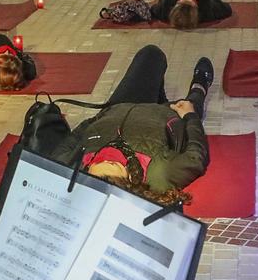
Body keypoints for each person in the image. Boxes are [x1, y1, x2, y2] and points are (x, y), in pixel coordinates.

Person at [26, 47, 216, 204]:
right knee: (193, 102)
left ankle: (157, 94)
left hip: (121, 106)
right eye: (114, 164)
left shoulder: (71, 165)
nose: (106, 158)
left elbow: (74, 138)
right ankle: (199, 86)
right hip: (170, 113)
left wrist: (98, 118)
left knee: (151, 54)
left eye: (97, 162)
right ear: (129, 181)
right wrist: (190, 115)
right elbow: (195, 158)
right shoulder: (157, 174)